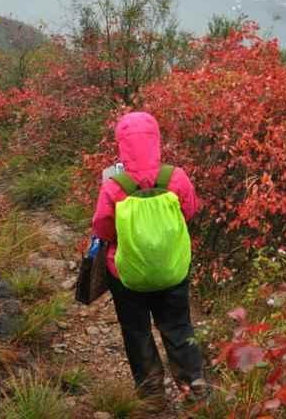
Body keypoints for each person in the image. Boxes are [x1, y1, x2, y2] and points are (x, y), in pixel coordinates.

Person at [91, 111, 206, 404]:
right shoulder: (175, 177)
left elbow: (102, 228)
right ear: (156, 140)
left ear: (121, 145)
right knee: (179, 326)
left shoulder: (114, 185)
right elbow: (190, 210)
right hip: (172, 269)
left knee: (136, 330)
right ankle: (193, 386)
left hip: (127, 274)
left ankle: (152, 393)